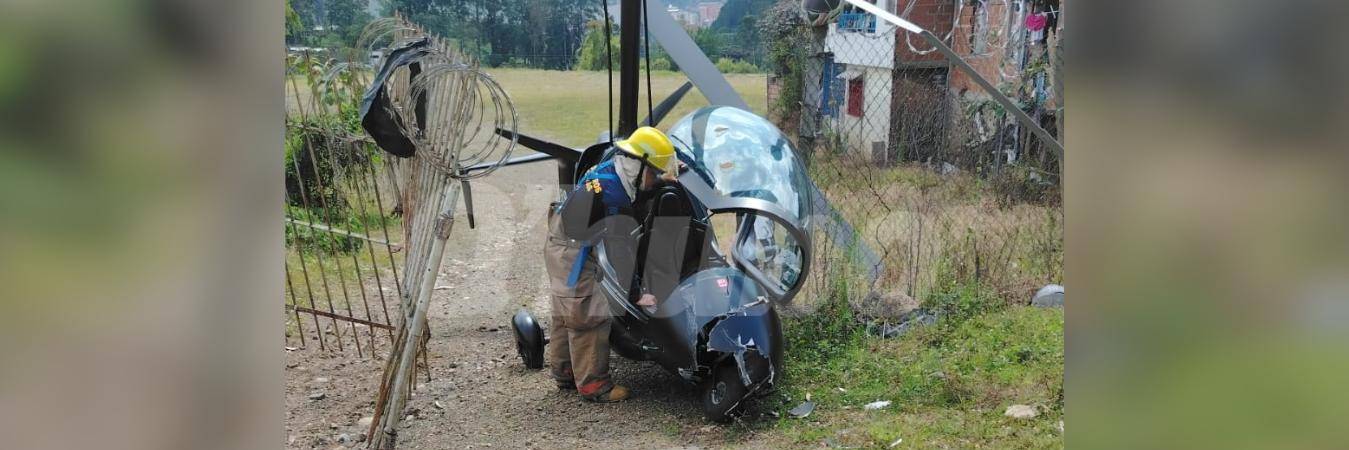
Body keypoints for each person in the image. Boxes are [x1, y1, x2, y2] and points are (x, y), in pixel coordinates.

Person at [543, 126, 678, 402]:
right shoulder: (615, 198)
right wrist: (637, 294)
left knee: (565, 309)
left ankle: (565, 372)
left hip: (562, 237)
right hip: (572, 250)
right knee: (589, 313)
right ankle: (594, 385)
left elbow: (638, 190)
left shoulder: (614, 167)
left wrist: (663, 179)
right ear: (638, 167)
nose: (654, 179)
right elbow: (623, 257)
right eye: (653, 173)